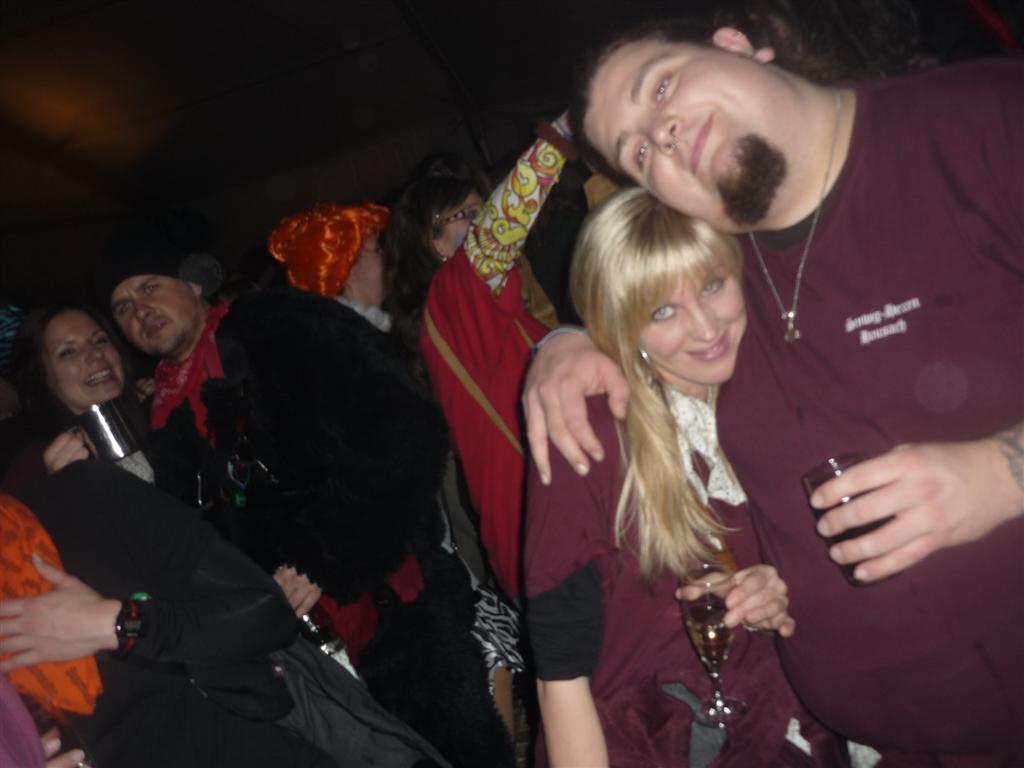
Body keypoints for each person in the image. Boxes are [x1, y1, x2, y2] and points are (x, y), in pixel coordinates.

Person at [523, 20, 1024, 762]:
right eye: (638, 152)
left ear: (734, 42)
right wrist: (567, 343)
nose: (663, 135)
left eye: (661, 86)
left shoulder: (983, 123)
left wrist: (1002, 473)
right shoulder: (731, 265)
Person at [95, 227, 514, 767]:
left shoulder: (278, 324)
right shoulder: (165, 420)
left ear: (193, 284)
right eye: (123, 307)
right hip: (307, 661)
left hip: (395, 608)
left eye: (149, 287)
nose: (139, 311)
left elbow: (408, 426)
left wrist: (323, 560)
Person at [526, 187, 844, 767]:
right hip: (643, 741)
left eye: (713, 285)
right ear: (623, 326)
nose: (705, 327)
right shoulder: (590, 432)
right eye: (662, 311)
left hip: (779, 721)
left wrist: (775, 596)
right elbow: (561, 678)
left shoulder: (778, 389)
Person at [419, 116, 573, 600]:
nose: (479, 220)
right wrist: (559, 138)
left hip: (563, 519)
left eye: (478, 209)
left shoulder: (507, 311)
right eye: (463, 215)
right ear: (433, 242)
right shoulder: (450, 297)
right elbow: (497, 232)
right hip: (543, 536)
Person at [4, 304, 151, 495]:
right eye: (68, 352)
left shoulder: (158, 414)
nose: (96, 354)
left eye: (100, 340)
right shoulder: (35, 464)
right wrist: (58, 495)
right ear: (42, 377)